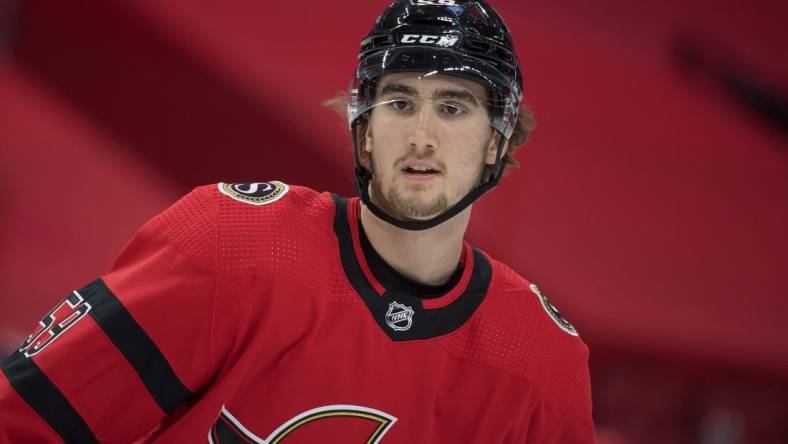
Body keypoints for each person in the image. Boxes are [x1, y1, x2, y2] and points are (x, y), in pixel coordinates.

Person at [0, 0, 594, 442]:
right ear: (362, 130)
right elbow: (24, 423)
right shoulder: (228, 242)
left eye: (454, 107)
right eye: (398, 102)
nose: (421, 136)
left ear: (498, 141)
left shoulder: (542, 366)